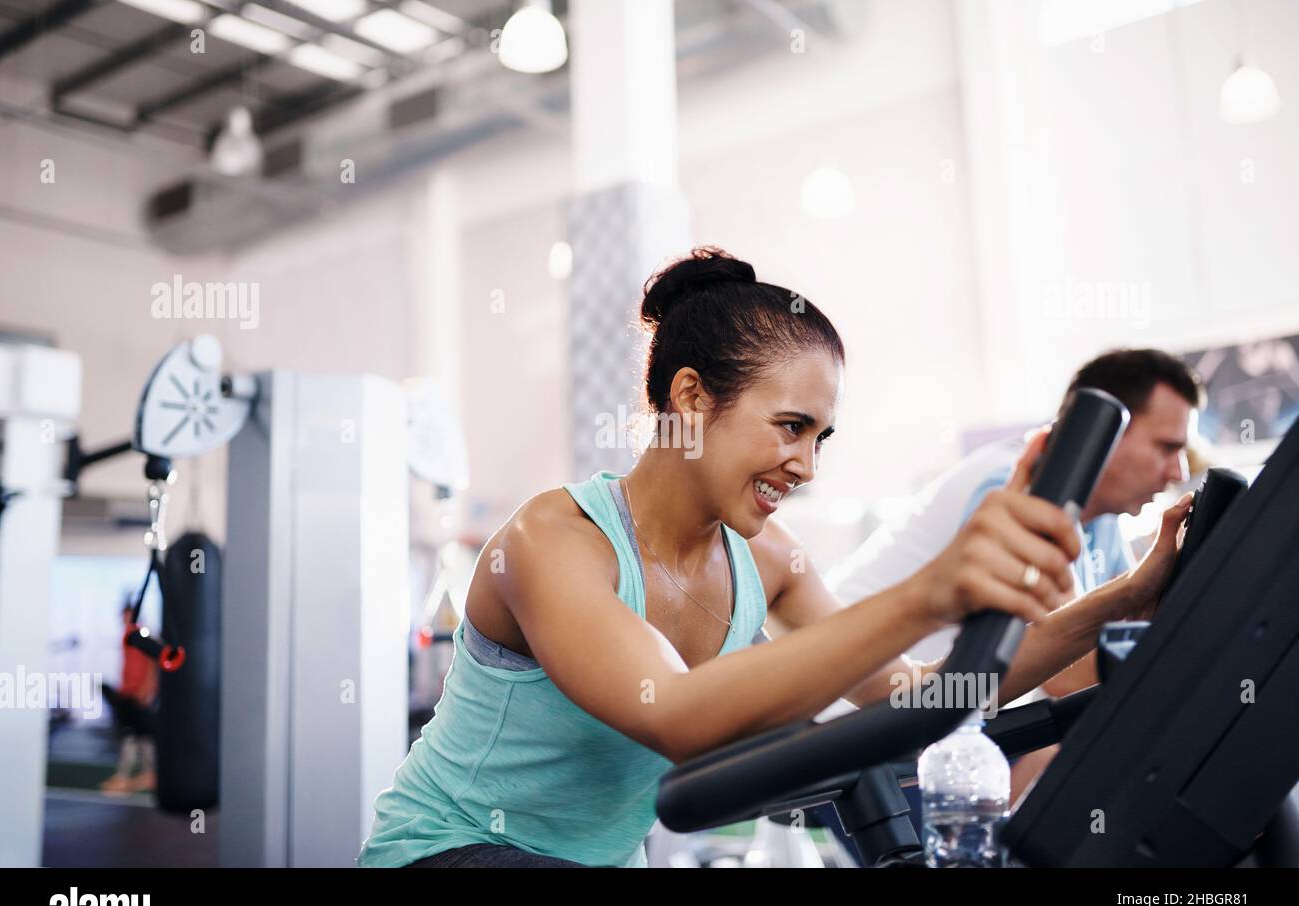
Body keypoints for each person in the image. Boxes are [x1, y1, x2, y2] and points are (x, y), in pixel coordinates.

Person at [358, 248, 1191, 868]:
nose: (807, 465)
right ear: (691, 397)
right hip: (450, 849)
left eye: (820, 438)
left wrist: (1127, 594)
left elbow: (925, 692)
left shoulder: (770, 561)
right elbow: (673, 712)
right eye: (791, 427)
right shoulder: (553, 539)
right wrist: (933, 590)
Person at [824, 349, 1202, 813]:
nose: (1178, 472)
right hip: (853, 733)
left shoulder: (1102, 522)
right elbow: (1073, 677)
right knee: (1086, 752)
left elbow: (1120, 637)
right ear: (1106, 431)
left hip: (947, 720)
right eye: (1167, 447)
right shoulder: (1013, 486)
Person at [99, 601, 159, 794]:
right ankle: (132, 775)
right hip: (128, 694)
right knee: (133, 736)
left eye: (128, 615)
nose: (125, 618)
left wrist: (147, 689)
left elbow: (152, 662)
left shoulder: (141, 635)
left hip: (138, 694)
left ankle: (145, 774)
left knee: (141, 735)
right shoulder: (127, 636)